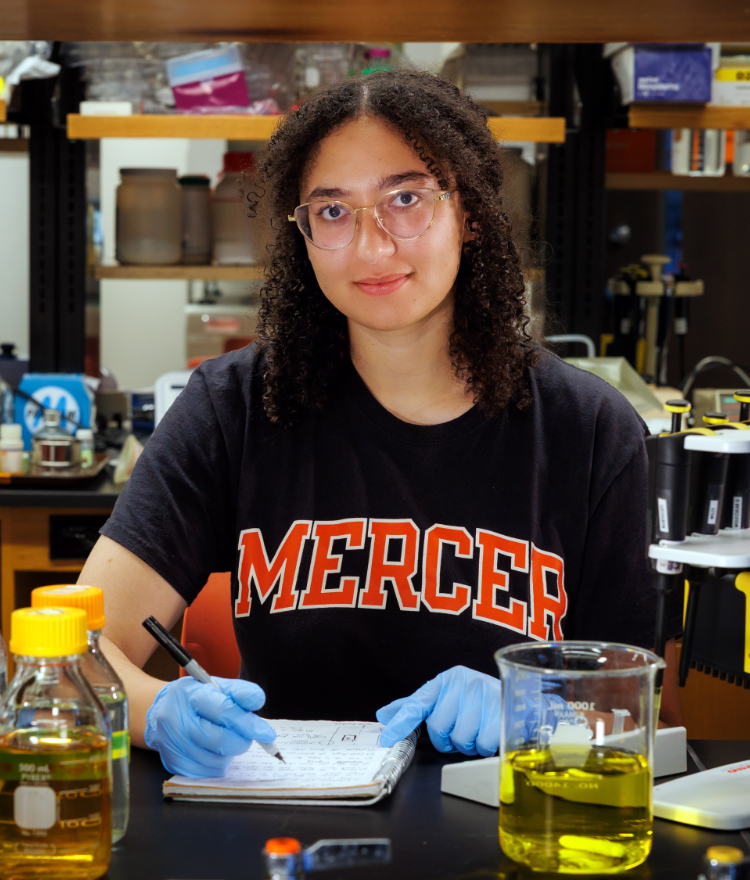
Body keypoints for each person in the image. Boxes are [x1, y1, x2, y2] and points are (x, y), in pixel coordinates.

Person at [80, 70, 682, 778]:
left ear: (472, 213)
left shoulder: (588, 431)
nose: (371, 247)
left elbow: (632, 712)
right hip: (279, 829)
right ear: (302, 236)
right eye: (333, 212)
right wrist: (155, 712)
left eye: (406, 199)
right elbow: (77, 647)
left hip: (511, 834)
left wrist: (536, 711)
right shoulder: (234, 407)